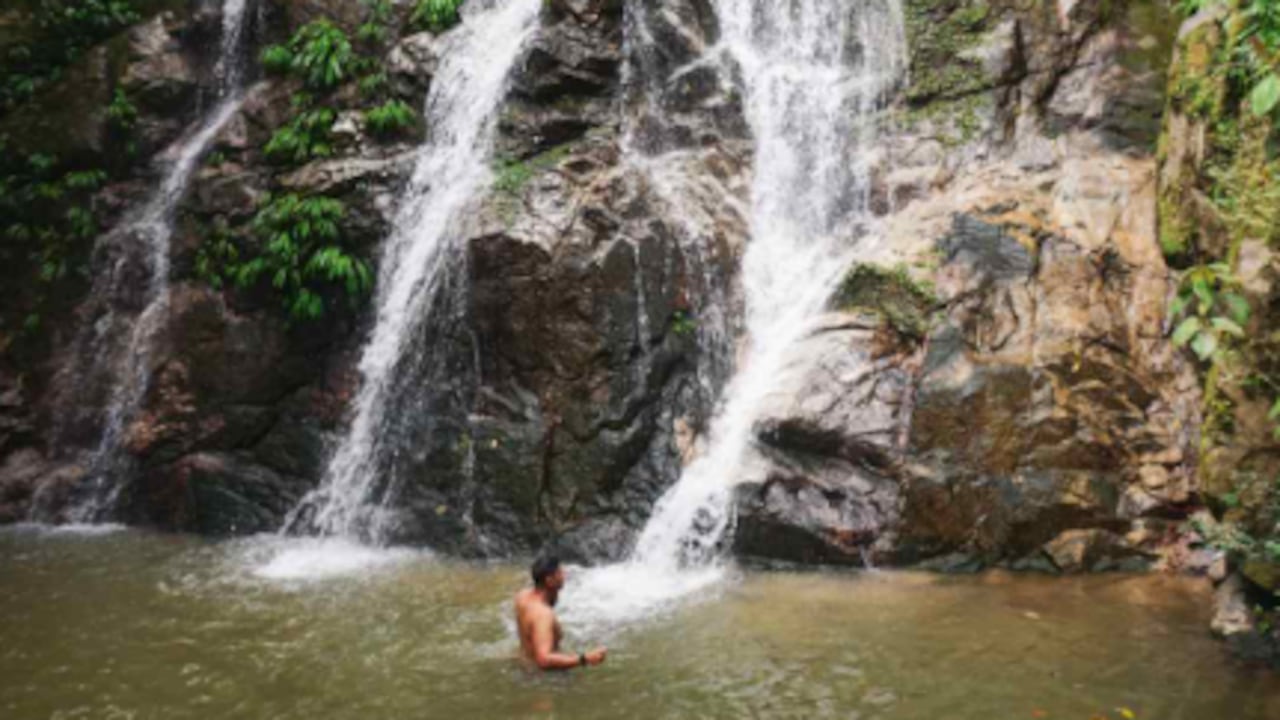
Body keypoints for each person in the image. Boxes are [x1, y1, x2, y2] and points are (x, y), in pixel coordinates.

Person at [515, 556, 607, 670]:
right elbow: (543, 659)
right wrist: (585, 658)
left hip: (526, 665)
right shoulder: (543, 615)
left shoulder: (522, 597)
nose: (564, 577)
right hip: (544, 677)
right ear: (549, 580)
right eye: (559, 573)